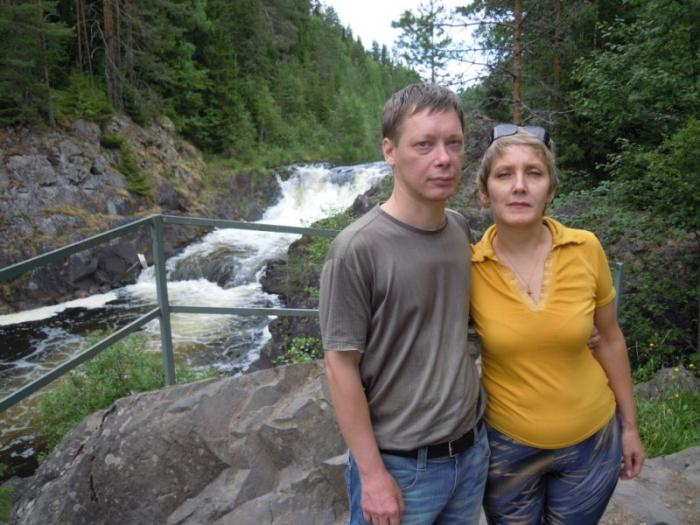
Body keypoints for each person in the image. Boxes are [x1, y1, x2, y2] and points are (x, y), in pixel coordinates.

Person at [319, 83, 489, 525]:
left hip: (471, 452)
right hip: (401, 467)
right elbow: (339, 367)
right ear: (389, 151)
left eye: (454, 143)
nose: (444, 158)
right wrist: (372, 475)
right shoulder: (356, 249)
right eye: (424, 144)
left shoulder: (459, 230)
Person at [470, 124, 646, 524]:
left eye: (534, 173)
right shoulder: (468, 266)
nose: (519, 186)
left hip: (592, 445)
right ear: (484, 192)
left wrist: (630, 427)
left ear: (550, 189)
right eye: (504, 174)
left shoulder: (585, 248)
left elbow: (610, 339)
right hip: (507, 450)